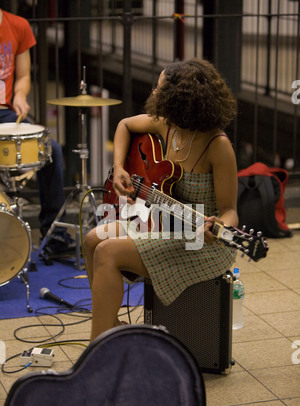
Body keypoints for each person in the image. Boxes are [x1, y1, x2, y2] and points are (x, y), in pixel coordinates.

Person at [84, 58, 238, 341]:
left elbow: (230, 211)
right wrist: (119, 167)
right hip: (166, 223)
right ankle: (111, 324)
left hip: (200, 242)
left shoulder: (218, 145)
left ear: (179, 99)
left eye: (159, 89)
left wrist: (218, 229)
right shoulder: (168, 125)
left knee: (107, 251)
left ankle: (98, 347)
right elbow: (124, 125)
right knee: (93, 239)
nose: (154, 94)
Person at [0, 8, 73, 253]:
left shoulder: (18, 26)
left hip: (6, 113)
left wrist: (19, 95)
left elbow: (22, 77)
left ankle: (54, 234)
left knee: (51, 150)